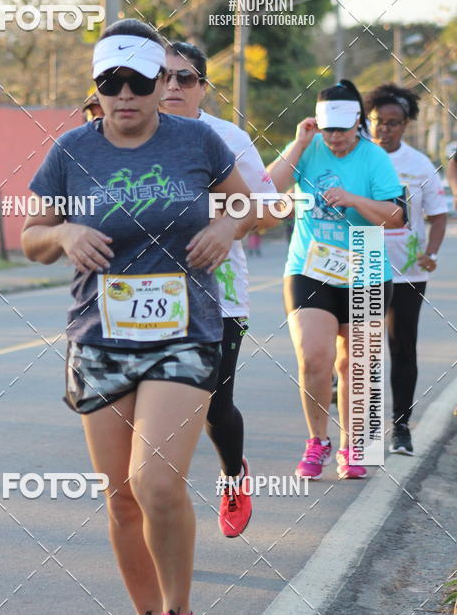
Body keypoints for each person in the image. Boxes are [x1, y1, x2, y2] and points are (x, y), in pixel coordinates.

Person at [22, 19, 256, 615]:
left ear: (161, 84)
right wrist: (65, 234)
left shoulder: (197, 140)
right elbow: (31, 237)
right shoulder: (72, 151)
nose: (125, 94)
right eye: (110, 82)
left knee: (152, 480)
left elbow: (248, 204)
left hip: (183, 333)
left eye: (138, 81)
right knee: (119, 496)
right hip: (100, 337)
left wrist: (225, 226)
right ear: (96, 90)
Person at [160, 40, 279, 537]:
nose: (172, 86)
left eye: (185, 78)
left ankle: (233, 476)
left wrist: (223, 225)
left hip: (219, 293)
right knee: (153, 409)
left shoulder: (226, 138)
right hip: (147, 296)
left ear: (203, 88)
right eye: (162, 76)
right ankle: (162, 508)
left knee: (212, 404)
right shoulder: (127, 138)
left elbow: (270, 210)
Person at [268, 79, 403, 480]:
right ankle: (317, 442)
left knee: (355, 366)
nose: (335, 138)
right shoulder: (306, 149)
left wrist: (355, 199)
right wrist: (297, 143)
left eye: (343, 130)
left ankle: (353, 445)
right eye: (328, 129)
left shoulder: (374, 158)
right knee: (314, 358)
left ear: (358, 122)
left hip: (364, 261)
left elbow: (396, 216)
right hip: (311, 265)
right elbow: (267, 188)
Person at [365, 83, 447, 455]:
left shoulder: (419, 164)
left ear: (406, 124)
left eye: (394, 123)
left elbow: (438, 215)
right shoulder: (359, 157)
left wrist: (430, 252)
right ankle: (361, 427)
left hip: (409, 270)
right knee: (360, 347)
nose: (386, 129)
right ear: (370, 121)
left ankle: (401, 429)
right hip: (364, 262)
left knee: (401, 348)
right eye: (379, 121)